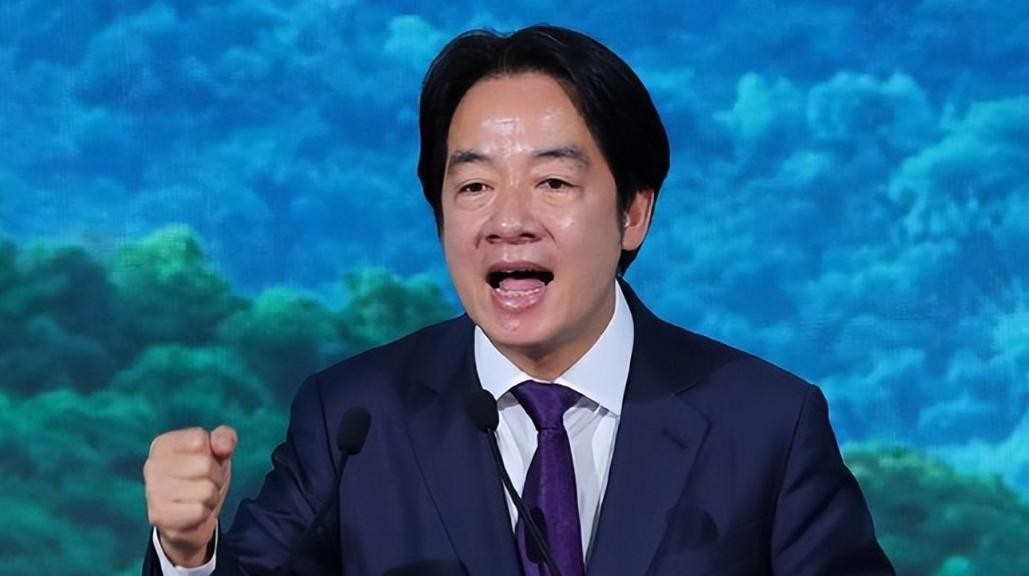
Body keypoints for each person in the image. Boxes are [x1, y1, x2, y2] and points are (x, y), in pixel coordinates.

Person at [142, 25, 895, 575]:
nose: (508, 221)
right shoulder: (353, 420)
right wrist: (187, 553)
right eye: (473, 186)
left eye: (553, 182)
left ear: (633, 212)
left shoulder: (766, 426)